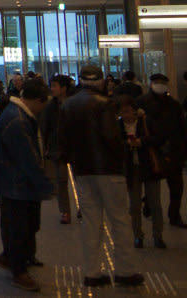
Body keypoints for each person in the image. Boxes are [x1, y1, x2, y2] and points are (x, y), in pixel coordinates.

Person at [63, 64, 143, 288]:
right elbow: (110, 137)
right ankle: (125, 271)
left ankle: (92, 273)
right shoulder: (106, 104)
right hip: (109, 170)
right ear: (100, 81)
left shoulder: (68, 105)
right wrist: (123, 152)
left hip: (82, 170)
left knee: (91, 222)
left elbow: (63, 139)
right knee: (119, 220)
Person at [0, 78, 53, 293]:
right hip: (16, 185)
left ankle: (14, 258)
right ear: (37, 100)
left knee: (24, 225)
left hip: (16, 183)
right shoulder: (17, 120)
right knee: (19, 227)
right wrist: (44, 184)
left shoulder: (16, 115)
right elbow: (26, 157)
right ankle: (18, 270)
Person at [117, 94, 165, 249]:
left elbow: (160, 138)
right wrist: (127, 145)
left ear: (135, 111)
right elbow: (114, 144)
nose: (126, 115)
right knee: (134, 205)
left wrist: (141, 142)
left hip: (149, 166)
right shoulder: (118, 126)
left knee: (155, 203)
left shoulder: (146, 122)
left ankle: (158, 236)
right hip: (132, 169)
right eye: (123, 112)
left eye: (128, 111)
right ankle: (138, 235)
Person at [139, 73, 186, 228]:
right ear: (151, 84)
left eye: (162, 82)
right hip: (153, 150)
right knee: (153, 185)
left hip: (173, 150)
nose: (159, 84)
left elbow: (181, 127)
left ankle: (174, 215)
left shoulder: (174, 104)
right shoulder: (142, 103)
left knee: (176, 187)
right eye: (156, 82)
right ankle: (148, 203)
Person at [39, 74, 74, 224]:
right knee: (61, 180)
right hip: (56, 147)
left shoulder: (74, 104)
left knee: (80, 180)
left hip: (74, 147)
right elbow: (44, 127)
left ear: (64, 88)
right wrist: (45, 147)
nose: (52, 89)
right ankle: (65, 211)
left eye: (54, 86)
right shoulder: (50, 106)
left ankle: (82, 207)